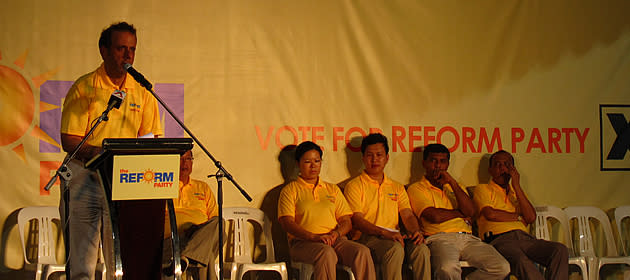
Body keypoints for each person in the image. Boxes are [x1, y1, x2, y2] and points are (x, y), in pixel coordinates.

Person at [59, 21, 163, 279]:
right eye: (120, 49)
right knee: (83, 261)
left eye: (132, 49)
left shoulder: (142, 91)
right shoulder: (84, 88)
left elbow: (151, 139)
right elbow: (70, 141)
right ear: (104, 51)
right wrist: (101, 154)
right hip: (85, 177)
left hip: (124, 181)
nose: (128, 55)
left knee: (119, 258)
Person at [407, 143, 509, 280]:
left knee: (502, 267)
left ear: (448, 164)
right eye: (433, 161)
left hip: (468, 239)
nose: (438, 166)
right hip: (439, 238)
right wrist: (460, 213)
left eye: (442, 161)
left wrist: (452, 183)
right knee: (447, 268)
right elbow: (434, 216)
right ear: (424, 163)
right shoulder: (417, 188)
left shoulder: (457, 186)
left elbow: (471, 211)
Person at [278, 141, 376, 280]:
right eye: (307, 162)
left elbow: (346, 221)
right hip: (304, 243)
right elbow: (287, 222)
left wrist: (336, 234)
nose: (313, 166)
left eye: (317, 161)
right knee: (326, 253)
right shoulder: (290, 190)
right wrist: (313, 237)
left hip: (334, 239)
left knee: (362, 252)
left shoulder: (332, 189)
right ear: (298, 163)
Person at [344, 133, 430, 280]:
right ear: (363, 158)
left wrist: (416, 231)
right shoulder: (354, 186)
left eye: (379, 155)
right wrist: (385, 233)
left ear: (387, 158)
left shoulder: (396, 187)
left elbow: (407, 215)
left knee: (421, 249)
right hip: (367, 237)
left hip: (394, 236)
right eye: (370, 155)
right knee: (394, 249)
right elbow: (357, 220)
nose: (375, 159)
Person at [473, 150, 569, 280]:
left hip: (525, 238)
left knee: (559, 250)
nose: (502, 169)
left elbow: (530, 218)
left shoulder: (516, 192)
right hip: (499, 240)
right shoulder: (483, 189)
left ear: (513, 169)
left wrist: (516, 186)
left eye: (506, 165)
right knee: (521, 261)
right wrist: (518, 217)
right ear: (490, 170)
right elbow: (491, 214)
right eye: (498, 165)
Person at [163, 150, 223, 280]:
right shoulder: (163, 186)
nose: (184, 163)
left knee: (220, 222)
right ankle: (188, 257)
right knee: (206, 256)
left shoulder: (203, 187)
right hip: (173, 240)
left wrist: (198, 233)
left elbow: (214, 220)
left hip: (197, 236)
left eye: (188, 159)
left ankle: (186, 257)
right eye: (180, 158)